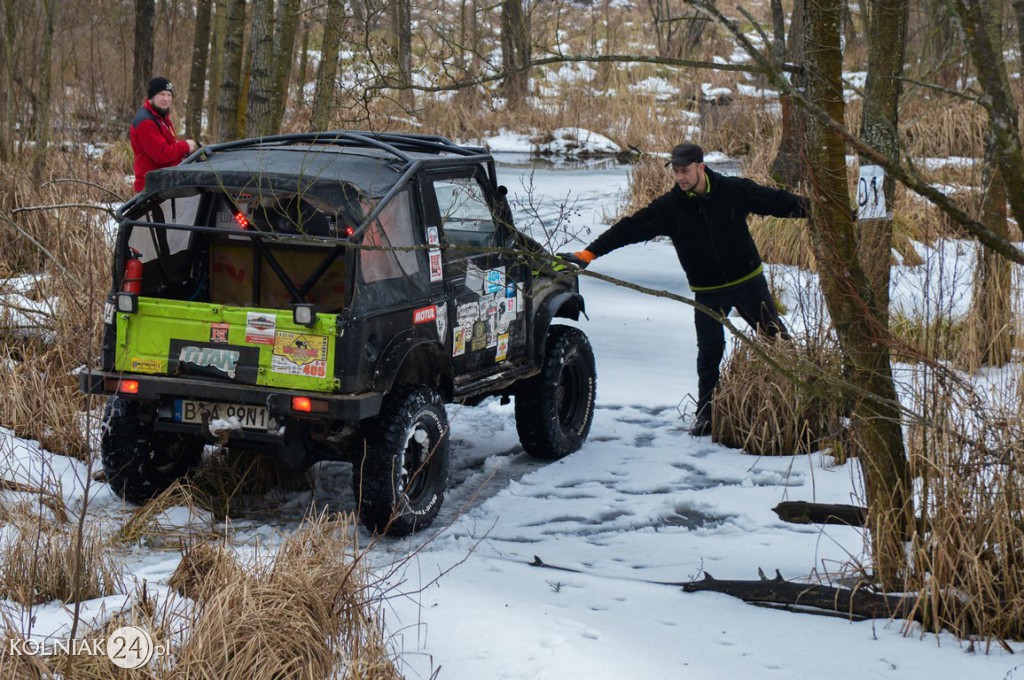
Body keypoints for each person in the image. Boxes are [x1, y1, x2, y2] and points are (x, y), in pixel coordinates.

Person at [559, 143, 808, 436]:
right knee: (709, 353)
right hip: (708, 291)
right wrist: (589, 254)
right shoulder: (671, 208)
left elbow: (776, 201)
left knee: (777, 341)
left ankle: (803, 397)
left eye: (685, 171)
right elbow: (629, 228)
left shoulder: (733, 190)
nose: (680, 177)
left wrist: (814, 208)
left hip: (748, 283)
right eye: (676, 172)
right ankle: (706, 414)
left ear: (701, 167)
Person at [130, 76, 197, 192]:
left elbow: (170, 146)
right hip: (152, 188)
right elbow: (161, 154)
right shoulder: (146, 121)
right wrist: (185, 146)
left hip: (165, 182)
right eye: (162, 94)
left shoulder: (161, 117)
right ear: (152, 96)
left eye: (169, 95)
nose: (166, 99)